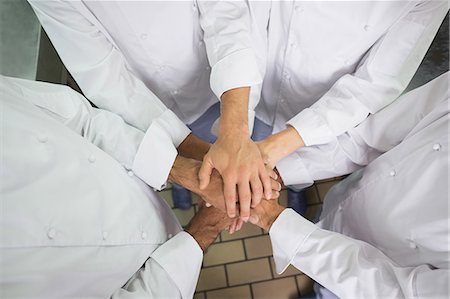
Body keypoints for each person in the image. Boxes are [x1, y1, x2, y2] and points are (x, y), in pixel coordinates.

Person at [0, 75, 280, 297]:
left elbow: (82, 120)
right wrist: (203, 228)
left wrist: (187, 173)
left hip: (140, 181)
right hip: (141, 276)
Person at [27, 0, 273, 219]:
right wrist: (203, 171)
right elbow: (105, 77)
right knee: (180, 158)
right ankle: (184, 187)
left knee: (225, 153)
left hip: (223, 81)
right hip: (149, 102)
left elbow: (224, 11)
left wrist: (233, 132)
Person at [201, 1, 447, 212]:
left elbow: (376, 82)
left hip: (326, 104)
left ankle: (293, 187)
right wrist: (235, 129)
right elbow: (245, 15)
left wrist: (273, 151)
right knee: (253, 139)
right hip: (260, 74)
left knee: (295, 161)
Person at [249, 73, 449, 298]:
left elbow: (394, 292)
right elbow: (370, 136)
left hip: (364, 284)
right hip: (346, 203)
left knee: (328, 292)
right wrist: (279, 171)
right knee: (322, 226)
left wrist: (274, 219)